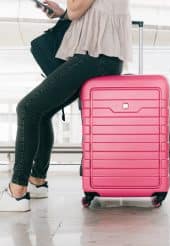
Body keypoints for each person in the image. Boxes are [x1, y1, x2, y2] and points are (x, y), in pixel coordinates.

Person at [0, 0, 132, 212]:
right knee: (42, 112)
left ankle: (16, 192)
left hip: (93, 58)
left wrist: (68, 10)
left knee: (27, 108)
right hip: (103, 58)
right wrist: (62, 13)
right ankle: (37, 181)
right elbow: (79, 11)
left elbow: (76, 7)